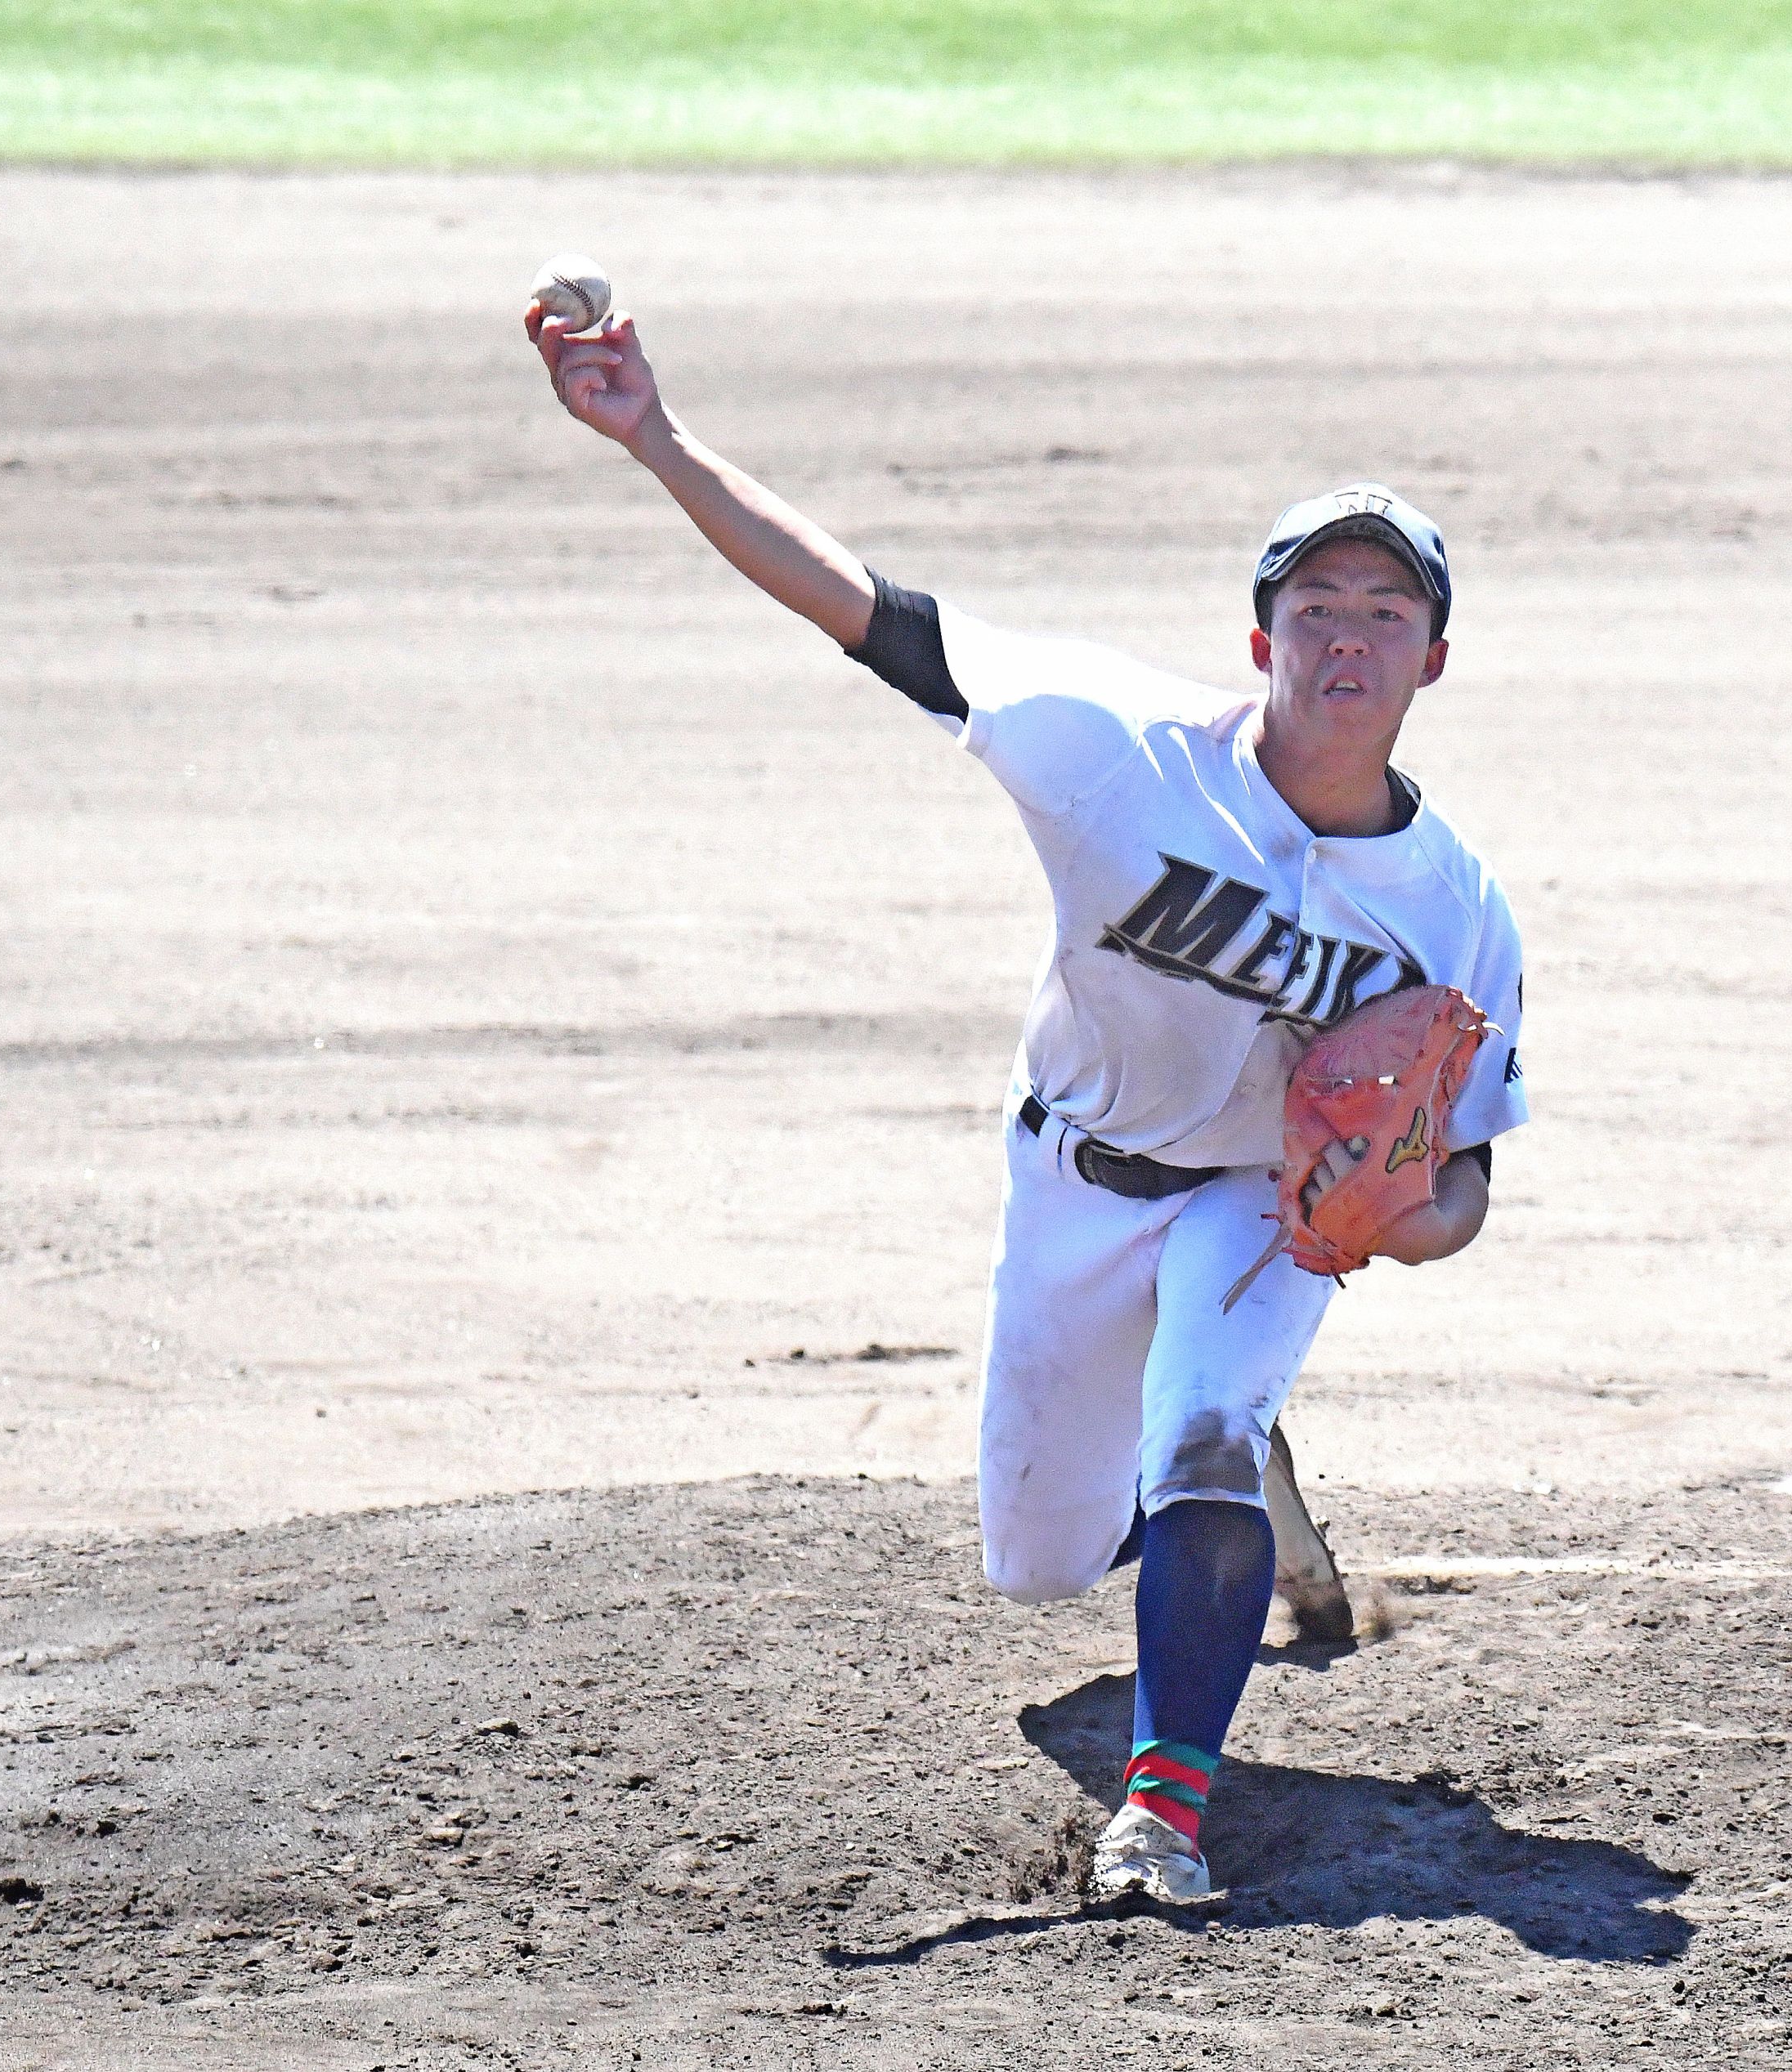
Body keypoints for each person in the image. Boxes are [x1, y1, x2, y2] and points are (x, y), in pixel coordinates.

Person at [527, 301, 1528, 1904]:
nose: (1350, 637)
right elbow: (857, 607)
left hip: (1251, 1205)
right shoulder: (1112, 747)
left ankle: (1162, 1807)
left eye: (1387, 609)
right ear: (1261, 639)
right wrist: (650, 433)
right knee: (1042, 1559)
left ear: (1433, 656)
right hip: (1074, 1170)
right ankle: (1216, 1468)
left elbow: (1467, 1173)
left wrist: (1405, 1222)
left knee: (1202, 1429)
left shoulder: (1457, 905)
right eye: (1316, 605)